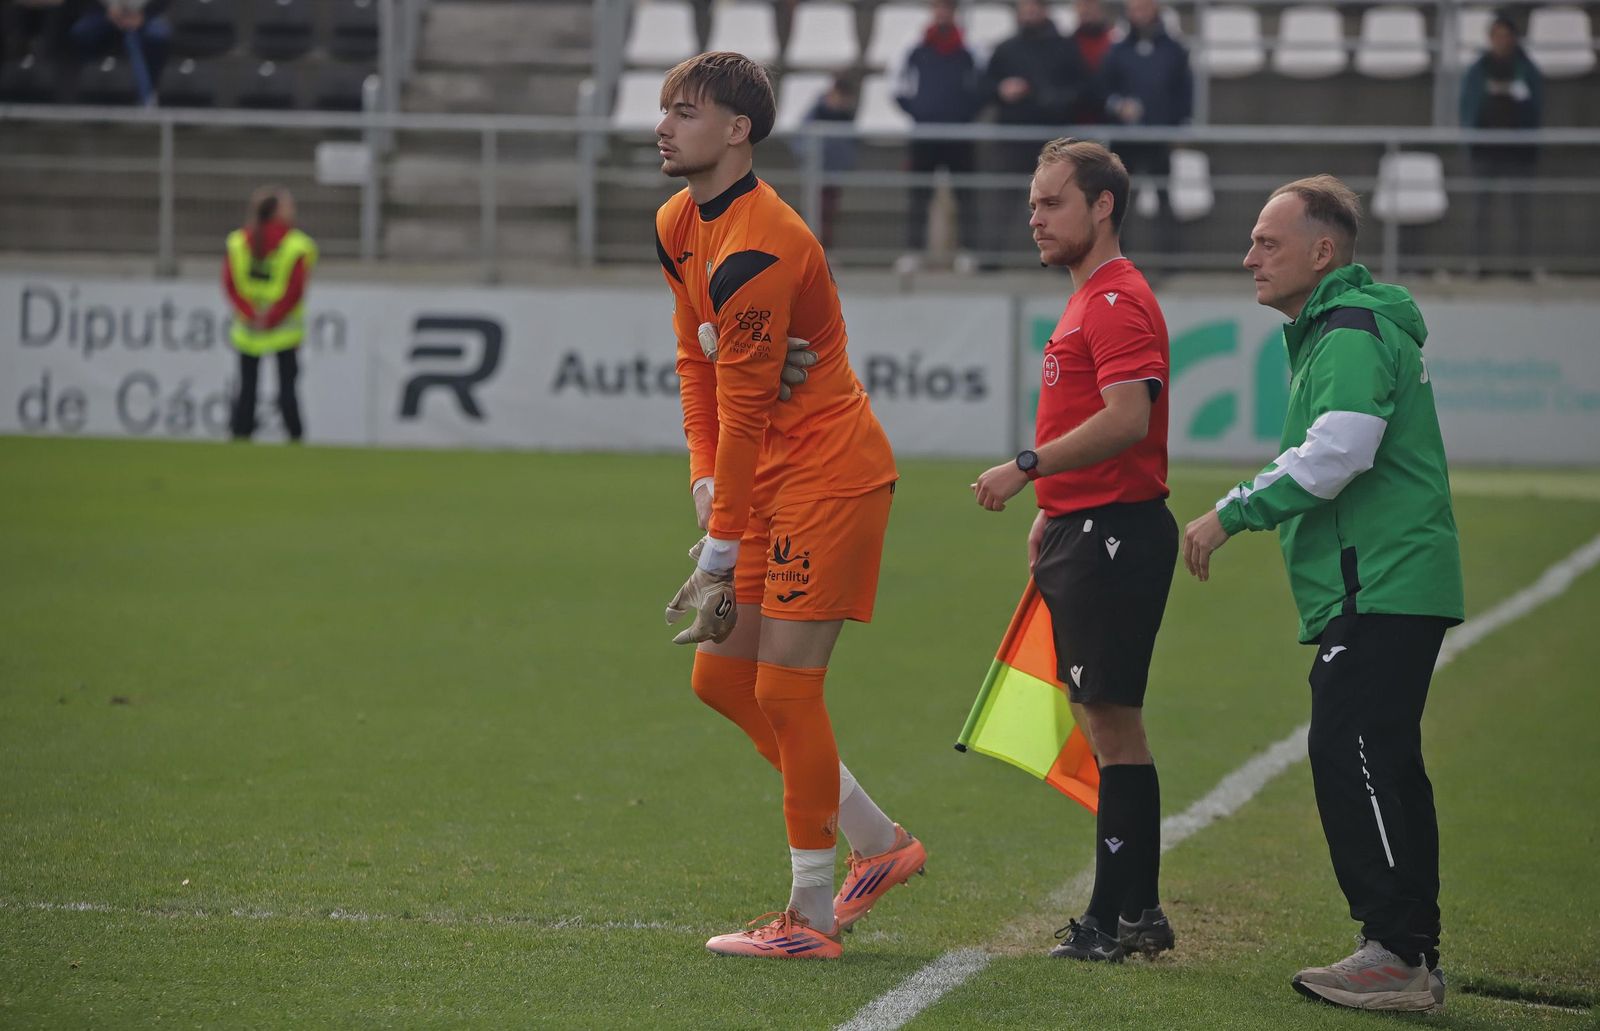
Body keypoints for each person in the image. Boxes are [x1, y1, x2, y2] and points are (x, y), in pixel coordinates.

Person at [652, 51, 925, 960]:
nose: (662, 126)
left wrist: (718, 551)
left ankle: (810, 917)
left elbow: (746, 406)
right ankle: (880, 843)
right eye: (663, 108)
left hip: (828, 477)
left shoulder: (762, 246)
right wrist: (704, 482)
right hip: (764, 478)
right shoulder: (676, 222)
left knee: (785, 688)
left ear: (738, 131)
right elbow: (695, 360)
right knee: (722, 678)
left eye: (684, 111)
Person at [1180, 175, 1463, 1012]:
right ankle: (1407, 947)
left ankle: (1397, 952)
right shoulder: (1343, 327)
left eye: (1268, 242)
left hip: (1382, 580)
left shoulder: (1347, 328)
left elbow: (1339, 450)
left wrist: (1230, 513)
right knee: (1383, 755)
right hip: (1389, 578)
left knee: (1354, 749)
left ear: (1323, 252)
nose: (1250, 257)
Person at [972, 138, 1176, 964]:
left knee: (1111, 725)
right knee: (1106, 721)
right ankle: (1138, 911)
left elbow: (1129, 418)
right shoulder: (1090, 297)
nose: (1036, 217)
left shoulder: (1115, 299)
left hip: (1114, 531)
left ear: (1102, 206)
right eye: (1032, 203)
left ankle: (1106, 921)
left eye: (1052, 201)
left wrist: (1027, 468)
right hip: (1087, 525)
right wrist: (1052, 507)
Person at [981, 0, 1090, 261]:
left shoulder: (1065, 48)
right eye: (1025, 7)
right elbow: (983, 87)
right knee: (1003, 198)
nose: (1029, 12)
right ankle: (991, 257)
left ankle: (1062, 256)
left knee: (1057, 200)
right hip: (1013, 139)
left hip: (1054, 140)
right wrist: (1002, 90)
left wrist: (1056, 100)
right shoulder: (1006, 48)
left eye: (1034, 7)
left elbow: (1084, 89)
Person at [892, 0, 984, 275]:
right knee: (919, 193)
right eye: (938, 7)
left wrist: (964, 115)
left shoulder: (970, 49)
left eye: (947, 8)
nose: (942, 13)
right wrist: (919, 113)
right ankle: (913, 252)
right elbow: (896, 85)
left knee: (965, 194)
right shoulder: (913, 47)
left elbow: (981, 87)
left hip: (960, 135)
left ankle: (968, 252)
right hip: (925, 135)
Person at [222, 185, 317, 443]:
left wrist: (250, 313)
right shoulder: (296, 244)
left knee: (247, 387)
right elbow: (295, 290)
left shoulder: (239, 241)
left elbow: (230, 284)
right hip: (283, 329)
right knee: (287, 388)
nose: (293, 210)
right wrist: (273, 317)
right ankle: (294, 436)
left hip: (248, 327)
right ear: (276, 211)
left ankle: (240, 435)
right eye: (288, 205)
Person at [1099, 0, 1191, 261]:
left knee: (1164, 197)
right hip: (1124, 140)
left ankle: (1170, 260)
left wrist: (1175, 125)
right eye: (1135, 8)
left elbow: (1183, 92)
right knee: (1119, 201)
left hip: (1159, 139)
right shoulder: (1117, 50)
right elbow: (1102, 89)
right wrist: (1118, 106)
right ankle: (1115, 260)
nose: (1139, 14)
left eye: (1144, 7)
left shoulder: (1174, 50)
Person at [1459, 10, 1542, 277]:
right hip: (1485, 150)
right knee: (1479, 213)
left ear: (1514, 38)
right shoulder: (1478, 70)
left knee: (1521, 213)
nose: (1501, 41)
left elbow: (1536, 106)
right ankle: (1477, 266)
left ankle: (1522, 268)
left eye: (1506, 36)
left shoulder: (1527, 69)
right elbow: (1467, 105)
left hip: (1519, 151)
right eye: (1497, 36)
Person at [791, 72, 858, 250]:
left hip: (834, 174)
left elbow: (849, 146)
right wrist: (810, 160)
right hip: (816, 174)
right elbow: (799, 140)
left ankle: (823, 252)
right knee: (816, 213)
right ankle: (814, 252)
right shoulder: (817, 111)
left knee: (828, 215)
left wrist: (845, 165)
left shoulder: (846, 115)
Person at [69, 0, 170, 102]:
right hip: (104, 14)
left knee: (155, 34)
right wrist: (108, 11)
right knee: (81, 32)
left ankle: (147, 96)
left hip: (143, 17)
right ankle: (78, 92)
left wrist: (143, 16)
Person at [1066, 0, 1114, 124]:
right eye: (1081, 5)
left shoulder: (1114, 41)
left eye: (1089, 5)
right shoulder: (1067, 45)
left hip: (1108, 116)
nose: (1085, 10)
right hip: (1077, 116)